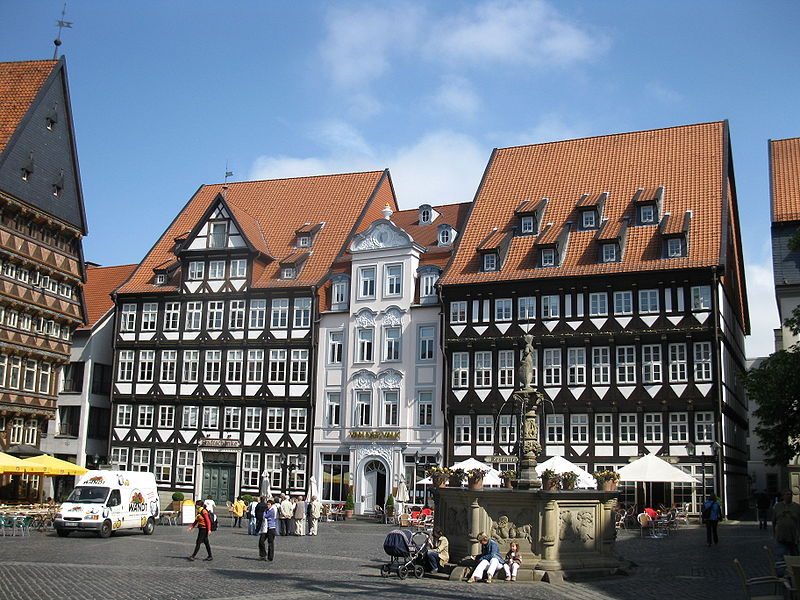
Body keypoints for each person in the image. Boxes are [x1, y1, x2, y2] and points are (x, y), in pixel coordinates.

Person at [773, 489, 800, 560]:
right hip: (781, 536)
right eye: (787, 494)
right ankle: (782, 570)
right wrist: (774, 533)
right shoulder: (778, 506)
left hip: (793, 537)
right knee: (781, 557)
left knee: (795, 558)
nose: (789, 496)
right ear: (783, 496)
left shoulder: (797, 507)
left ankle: (794, 571)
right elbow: (774, 521)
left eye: (790, 494)